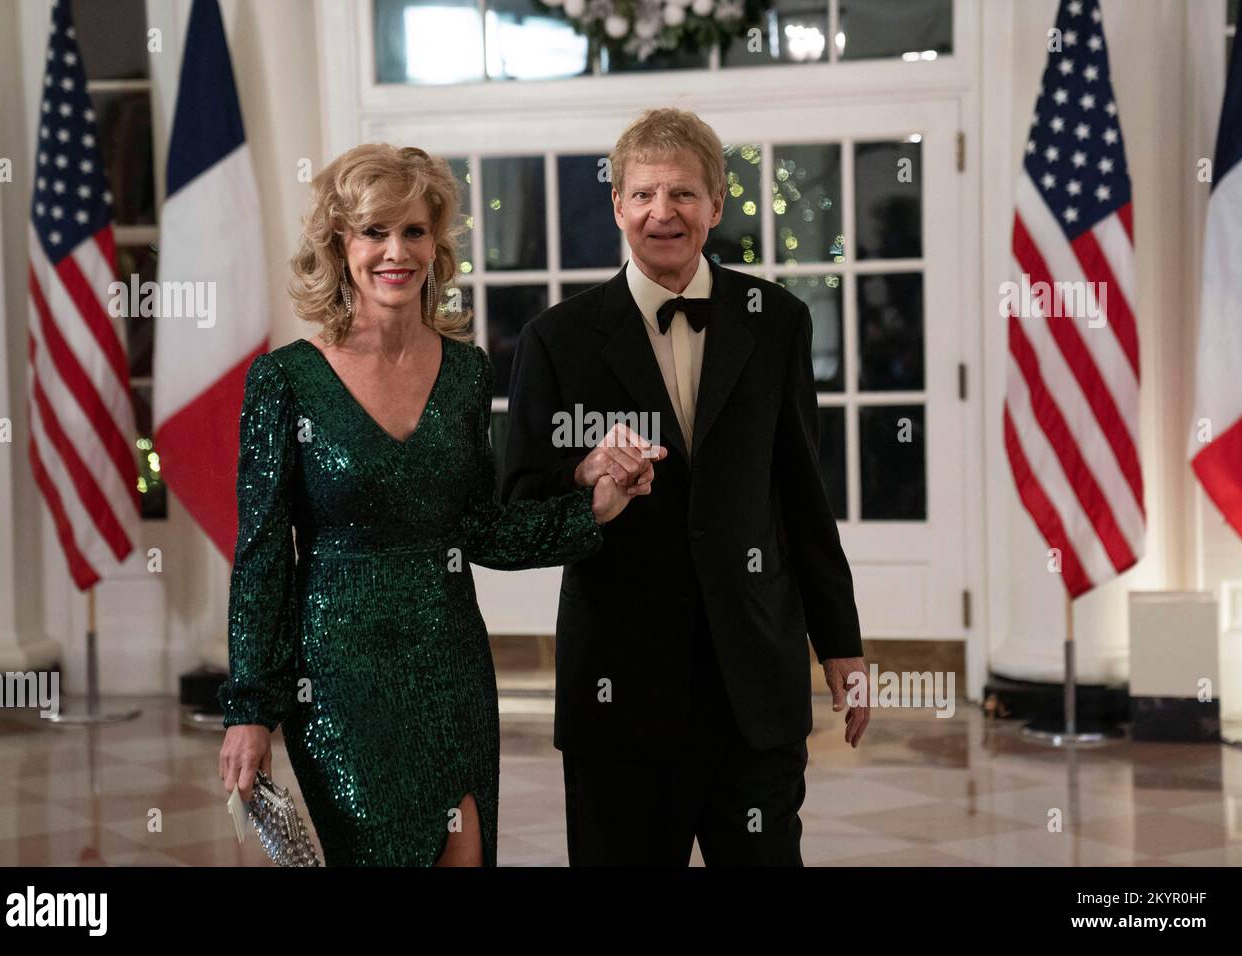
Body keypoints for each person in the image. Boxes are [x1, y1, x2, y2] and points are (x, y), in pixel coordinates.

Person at [217, 143, 663, 867]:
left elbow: (481, 528)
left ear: (436, 244)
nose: (396, 252)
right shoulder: (284, 381)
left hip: (451, 664)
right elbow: (263, 557)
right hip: (337, 679)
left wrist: (596, 504)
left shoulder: (465, 371)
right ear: (340, 245)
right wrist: (249, 711)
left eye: (414, 232)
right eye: (374, 232)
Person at [500, 108, 870, 866]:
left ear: (718, 204)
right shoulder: (556, 340)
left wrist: (841, 644)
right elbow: (517, 501)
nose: (661, 213)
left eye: (682, 195)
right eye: (642, 195)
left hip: (754, 687)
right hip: (620, 693)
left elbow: (804, 498)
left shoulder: (778, 322)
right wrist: (584, 476)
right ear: (616, 205)